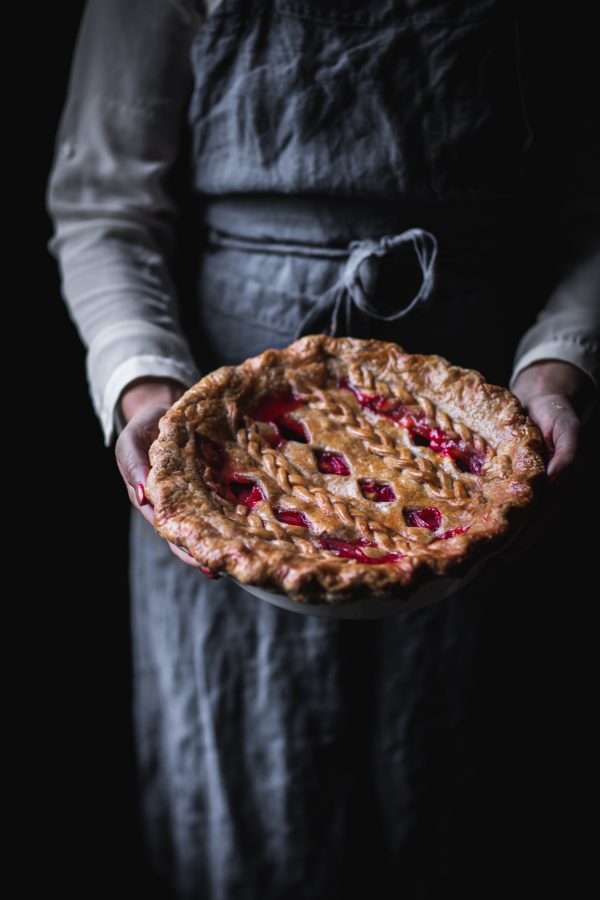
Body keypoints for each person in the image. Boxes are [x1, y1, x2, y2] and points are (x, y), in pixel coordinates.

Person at [46, 1, 598, 898]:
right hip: (223, 404)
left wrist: (559, 367)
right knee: (248, 794)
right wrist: (145, 387)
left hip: (481, 401)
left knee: (455, 789)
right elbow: (103, 202)